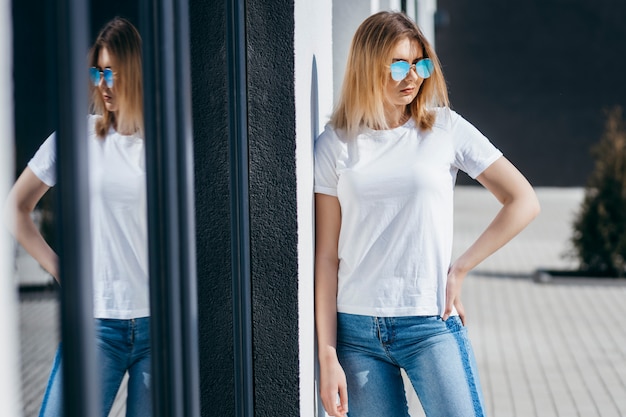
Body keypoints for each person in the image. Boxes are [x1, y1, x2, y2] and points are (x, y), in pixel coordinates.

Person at [314, 11, 540, 417]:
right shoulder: (335, 143)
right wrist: (327, 355)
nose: (413, 76)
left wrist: (461, 268)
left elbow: (523, 199)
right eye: (398, 64)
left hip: (430, 323)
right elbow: (326, 257)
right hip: (356, 331)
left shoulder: (443, 128)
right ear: (368, 66)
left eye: (420, 64)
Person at [4, 17, 152, 417]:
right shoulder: (77, 137)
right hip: (96, 325)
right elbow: (15, 207)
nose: (103, 83)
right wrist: (58, 267)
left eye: (113, 72)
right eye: (97, 71)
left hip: (158, 329)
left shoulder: (163, 144)